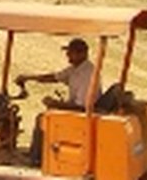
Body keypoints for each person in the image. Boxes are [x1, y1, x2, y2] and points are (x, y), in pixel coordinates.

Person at [15, 37, 102, 166]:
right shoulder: (75, 69)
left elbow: (81, 107)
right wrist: (28, 78)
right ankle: (37, 153)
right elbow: (54, 77)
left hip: (83, 115)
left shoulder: (87, 74)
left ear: (82, 54)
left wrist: (56, 104)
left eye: (71, 52)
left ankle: (36, 159)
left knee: (42, 118)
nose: (67, 55)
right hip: (79, 110)